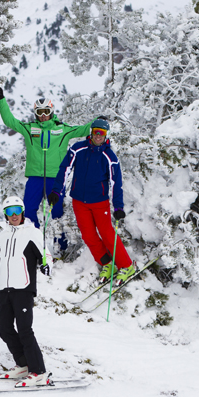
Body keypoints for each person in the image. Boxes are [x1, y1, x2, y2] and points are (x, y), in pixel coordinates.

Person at [0, 86, 95, 250]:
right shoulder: (30, 128)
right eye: (39, 112)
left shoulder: (62, 129)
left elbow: (83, 129)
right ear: (35, 113)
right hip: (35, 177)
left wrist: (99, 123)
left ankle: (62, 246)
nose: (42, 115)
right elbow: (10, 121)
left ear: (51, 111)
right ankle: (34, 244)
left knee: (57, 213)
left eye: (46, 111)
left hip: (56, 178)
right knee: (29, 210)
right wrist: (1, 101)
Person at [0, 196, 52, 388]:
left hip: (23, 289)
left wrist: (46, 266)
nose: (14, 215)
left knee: (25, 330)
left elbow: (46, 256)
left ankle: (39, 371)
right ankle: (24, 364)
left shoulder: (32, 234)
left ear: (23, 211)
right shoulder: (1, 237)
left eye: (17, 210)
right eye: (10, 211)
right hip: (4, 290)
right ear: (5, 215)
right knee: (4, 329)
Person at [49, 118, 135, 283]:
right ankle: (107, 263)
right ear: (91, 132)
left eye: (101, 133)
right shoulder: (78, 149)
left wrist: (118, 206)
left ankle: (126, 265)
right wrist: (56, 190)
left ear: (106, 135)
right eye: (95, 131)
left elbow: (116, 183)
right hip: (79, 202)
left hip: (99, 203)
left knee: (107, 234)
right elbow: (64, 169)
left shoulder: (109, 156)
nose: (97, 136)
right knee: (88, 236)